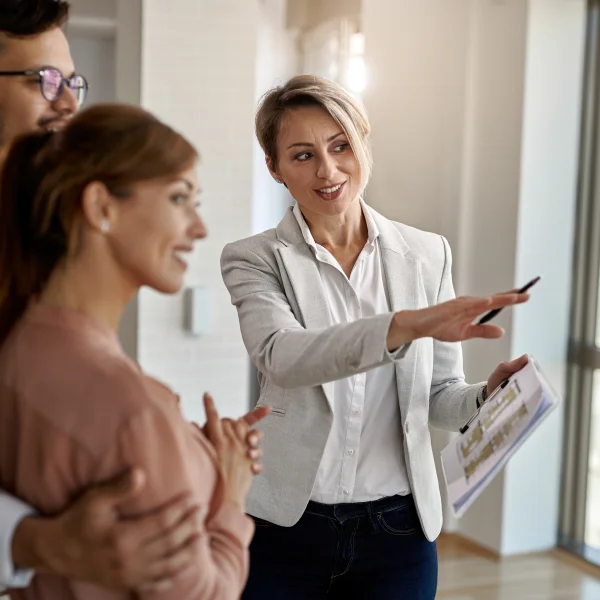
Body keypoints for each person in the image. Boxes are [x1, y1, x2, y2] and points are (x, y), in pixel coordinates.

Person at [220, 74, 531, 600]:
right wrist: (405, 325)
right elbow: (283, 357)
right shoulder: (254, 258)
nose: (328, 169)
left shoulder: (428, 254)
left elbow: (436, 397)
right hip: (284, 526)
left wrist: (484, 400)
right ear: (274, 168)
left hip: (398, 532)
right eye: (302, 155)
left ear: (363, 142)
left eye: (341, 145)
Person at [0, 1, 266, 593]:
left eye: (73, 81)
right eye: (44, 79)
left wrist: (184, 451)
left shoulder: (40, 316)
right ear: (100, 207)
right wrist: (227, 496)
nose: (68, 101)